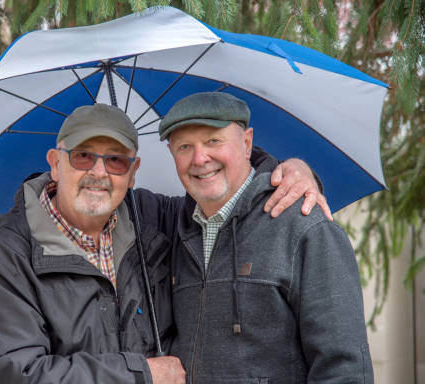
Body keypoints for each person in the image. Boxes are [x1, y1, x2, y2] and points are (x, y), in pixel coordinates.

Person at [0, 103, 326, 384]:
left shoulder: (156, 220)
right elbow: (14, 374)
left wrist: (288, 171)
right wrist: (140, 375)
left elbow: (221, 185)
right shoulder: (5, 261)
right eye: (82, 156)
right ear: (55, 164)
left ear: (133, 171)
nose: (98, 172)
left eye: (116, 160)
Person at [158, 92, 373, 383]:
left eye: (213, 141)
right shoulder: (173, 229)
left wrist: (299, 168)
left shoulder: (303, 227)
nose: (199, 158)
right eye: (184, 146)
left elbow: (344, 368)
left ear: (247, 143)